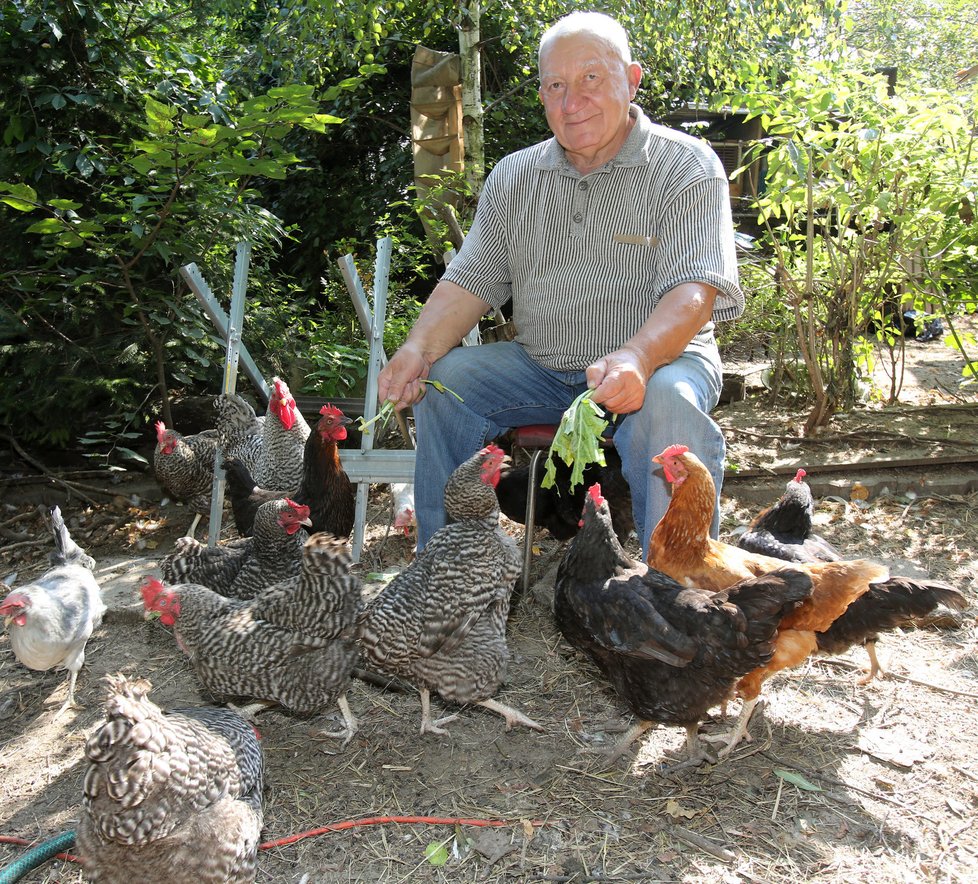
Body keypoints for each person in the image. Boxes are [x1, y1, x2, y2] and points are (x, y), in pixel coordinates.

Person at [378, 10, 743, 551]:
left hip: (663, 363)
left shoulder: (685, 166)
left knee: (670, 404)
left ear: (632, 78)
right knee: (446, 383)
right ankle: (443, 577)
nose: (572, 102)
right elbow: (470, 281)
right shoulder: (516, 175)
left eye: (591, 79)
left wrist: (638, 359)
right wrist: (416, 348)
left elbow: (694, 292)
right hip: (541, 367)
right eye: (555, 86)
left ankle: (675, 598)